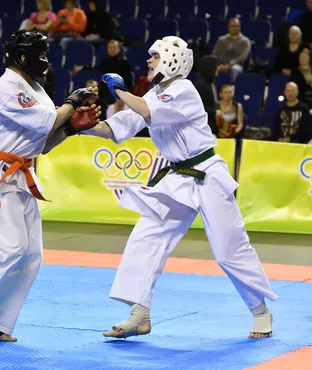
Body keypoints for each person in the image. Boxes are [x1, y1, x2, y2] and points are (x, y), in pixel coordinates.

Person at [81, 36, 277, 339]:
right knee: (146, 236)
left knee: (228, 250)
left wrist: (119, 90)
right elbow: (114, 128)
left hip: (207, 173)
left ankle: (261, 311)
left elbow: (146, 111)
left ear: (172, 59)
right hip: (178, 179)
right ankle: (140, 315)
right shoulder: (154, 95)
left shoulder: (183, 90)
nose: (148, 61)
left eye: (154, 56)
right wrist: (81, 124)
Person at [0, 30, 99, 341]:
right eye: (41, 54)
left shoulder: (37, 91)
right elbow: (46, 121)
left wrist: (70, 128)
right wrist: (71, 103)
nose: (46, 61)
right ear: (24, 56)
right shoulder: (6, 87)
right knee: (10, 246)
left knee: (30, 254)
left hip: (21, 174)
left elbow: (43, 142)